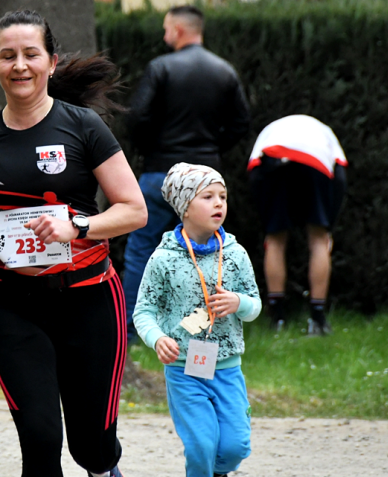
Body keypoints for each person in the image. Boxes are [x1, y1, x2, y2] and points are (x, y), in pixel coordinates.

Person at [0, 10, 147, 477]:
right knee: (40, 441)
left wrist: (77, 227)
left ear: (52, 62)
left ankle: (104, 467)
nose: (20, 65)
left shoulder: (83, 126)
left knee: (93, 447)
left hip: (89, 300)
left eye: (30, 54)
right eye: (8, 56)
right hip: (14, 304)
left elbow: (133, 210)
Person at [123, 5, 251, 343]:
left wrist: (151, 149)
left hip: (159, 173)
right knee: (209, 253)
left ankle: (135, 329)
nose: (164, 36)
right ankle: (199, 328)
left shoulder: (161, 67)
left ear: (179, 30)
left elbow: (136, 118)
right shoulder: (224, 71)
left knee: (141, 248)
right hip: (206, 180)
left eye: (166, 29)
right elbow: (241, 123)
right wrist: (210, 151)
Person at [133, 163, 260, 477]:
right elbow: (143, 312)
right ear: (184, 208)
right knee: (201, 447)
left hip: (228, 368)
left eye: (223, 196)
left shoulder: (236, 254)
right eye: (208, 196)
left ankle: (217, 472)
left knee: (235, 448)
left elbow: (255, 305)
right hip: (184, 369)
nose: (219, 203)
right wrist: (157, 338)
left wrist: (239, 302)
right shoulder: (163, 258)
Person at [248, 114, 348, 335]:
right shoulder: (326, 134)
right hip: (317, 162)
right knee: (319, 239)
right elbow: (339, 175)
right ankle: (318, 319)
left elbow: (255, 174)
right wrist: (328, 225)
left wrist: (267, 221)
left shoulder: (270, 131)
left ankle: (278, 319)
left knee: (274, 238)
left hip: (270, 159)